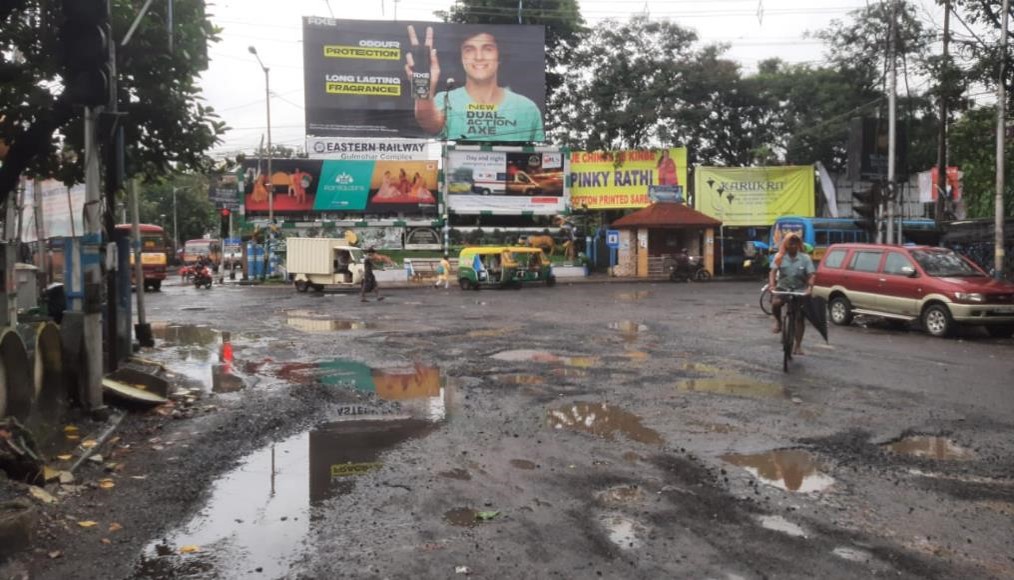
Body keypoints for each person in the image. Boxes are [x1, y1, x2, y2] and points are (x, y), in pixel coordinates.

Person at [405, 26, 544, 142]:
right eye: (469, 50)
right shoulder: (445, 99)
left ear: (499, 56)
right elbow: (428, 121)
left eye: (488, 49)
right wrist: (421, 81)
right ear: (460, 57)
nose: (478, 57)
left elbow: (537, 159)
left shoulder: (527, 108)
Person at [769, 233, 816, 355]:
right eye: (791, 243)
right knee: (775, 303)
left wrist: (810, 288)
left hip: (800, 290)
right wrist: (772, 285)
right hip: (783, 288)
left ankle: (798, 346)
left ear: (799, 244)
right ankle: (779, 322)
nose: (793, 245)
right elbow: (772, 272)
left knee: (800, 317)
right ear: (786, 244)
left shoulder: (805, 258)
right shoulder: (779, 257)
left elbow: (811, 275)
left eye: (795, 243)